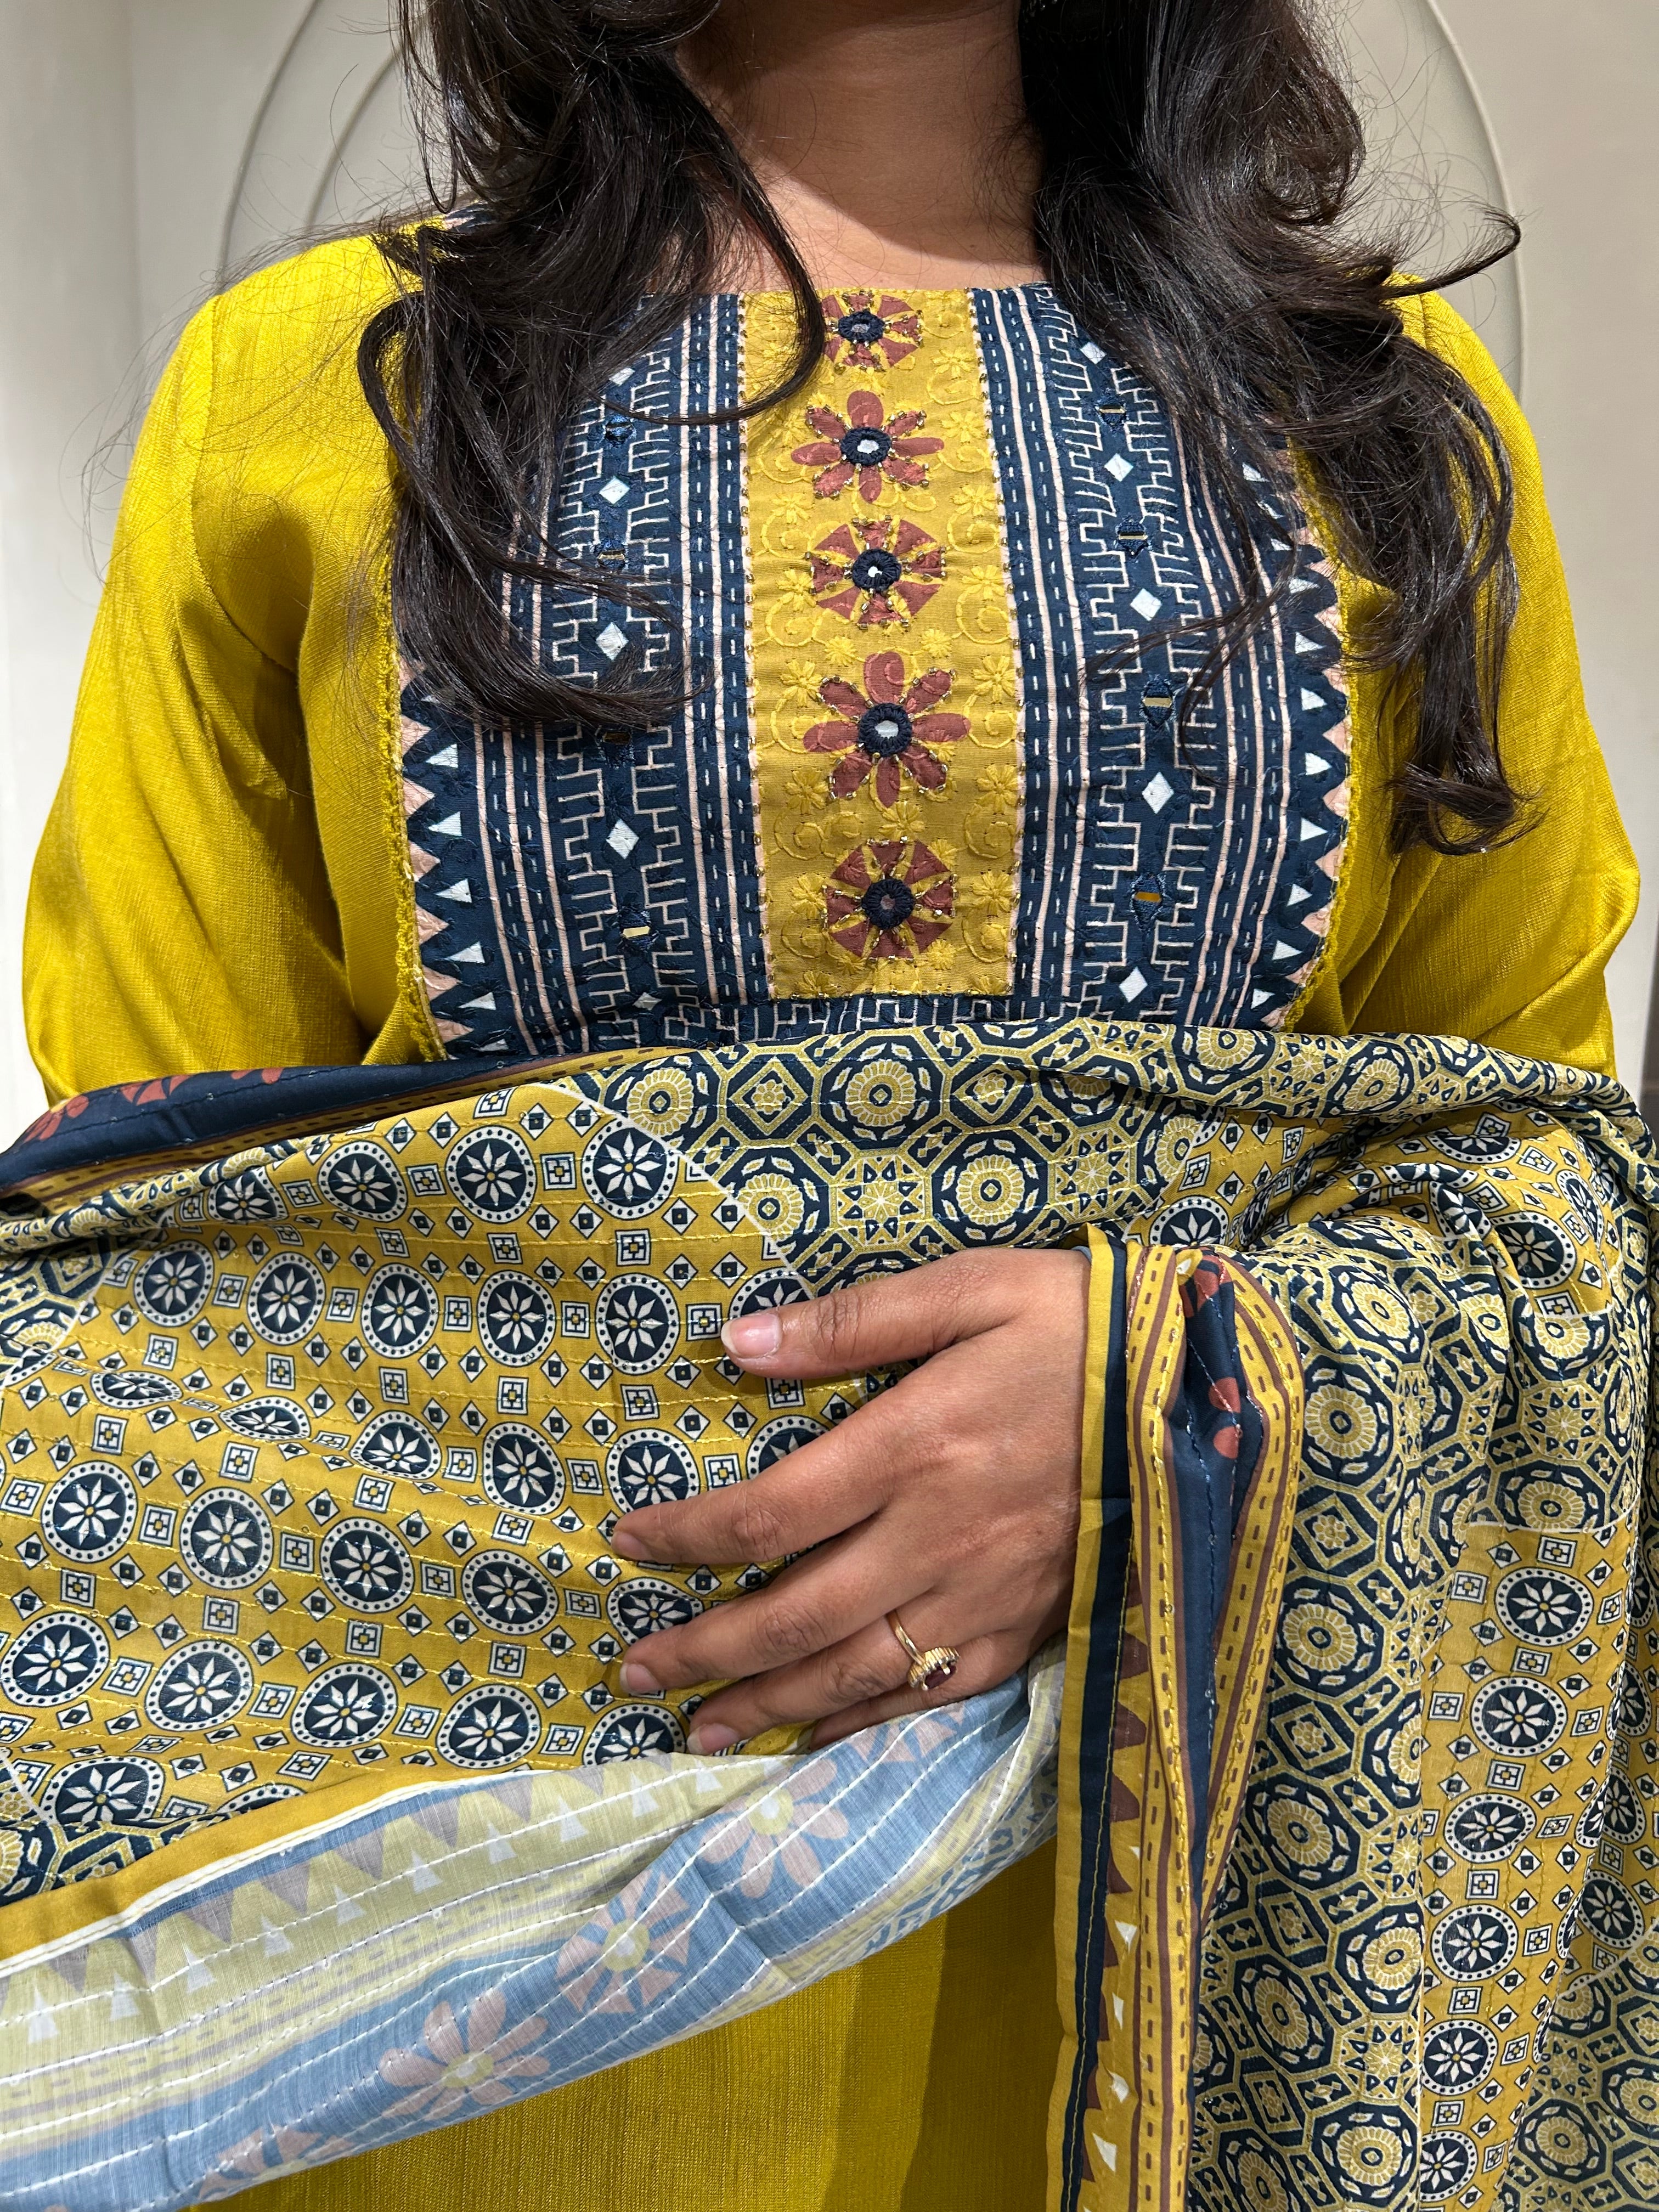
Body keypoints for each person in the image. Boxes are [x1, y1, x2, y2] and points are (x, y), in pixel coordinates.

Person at [19, 2, 1637, 2207]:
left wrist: (1167, 1400)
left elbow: (1539, 1175)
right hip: (445, 1981)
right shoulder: (307, 395)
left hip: (1166, 1917)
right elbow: (167, 1259)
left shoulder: (1369, 416)